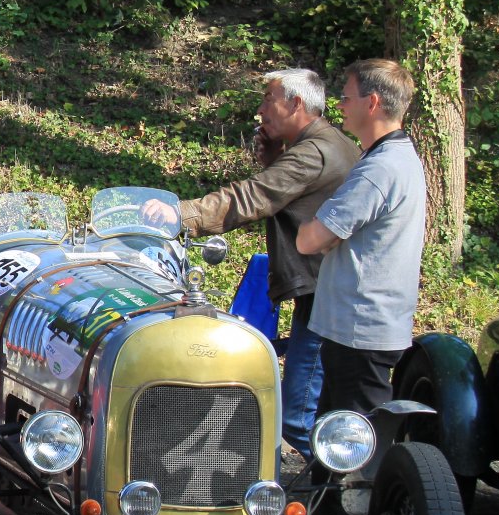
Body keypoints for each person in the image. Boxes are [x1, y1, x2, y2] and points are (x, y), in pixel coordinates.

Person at [141, 69, 359, 460]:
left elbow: (253, 197)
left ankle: (331, 486)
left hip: (327, 296)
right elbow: (288, 192)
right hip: (327, 289)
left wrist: (180, 213)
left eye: (268, 100)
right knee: (315, 403)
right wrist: (276, 158)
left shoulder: (314, 152)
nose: (260, 110)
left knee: (298, 416)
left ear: (295, 103)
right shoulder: (326, 143)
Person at [298, 58, 427, 416]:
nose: (339, 105)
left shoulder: (379, 169)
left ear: (372, 103)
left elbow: (309, 240)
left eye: (346, 97)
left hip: (360, 330)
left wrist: (317, 226)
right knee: (335, 435)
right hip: (363, 326)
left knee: (358, 441)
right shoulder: (396, 156)